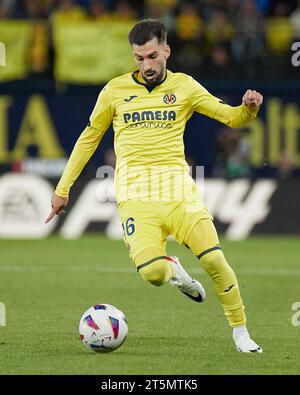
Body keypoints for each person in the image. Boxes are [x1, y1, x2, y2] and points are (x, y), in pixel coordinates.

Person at [46, 19, 263, 353]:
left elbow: (231, 118)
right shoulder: (114, 91)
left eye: (151, 56)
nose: (145, 65)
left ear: (166, 51)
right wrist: (63, 188)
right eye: (138, 58)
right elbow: (88, 139)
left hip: (179, 193)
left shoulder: (185, 87)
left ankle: (241, 334)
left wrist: (248, 110)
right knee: (152, 274)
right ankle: (173, 270)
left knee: (214, 261)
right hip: (135, 198)